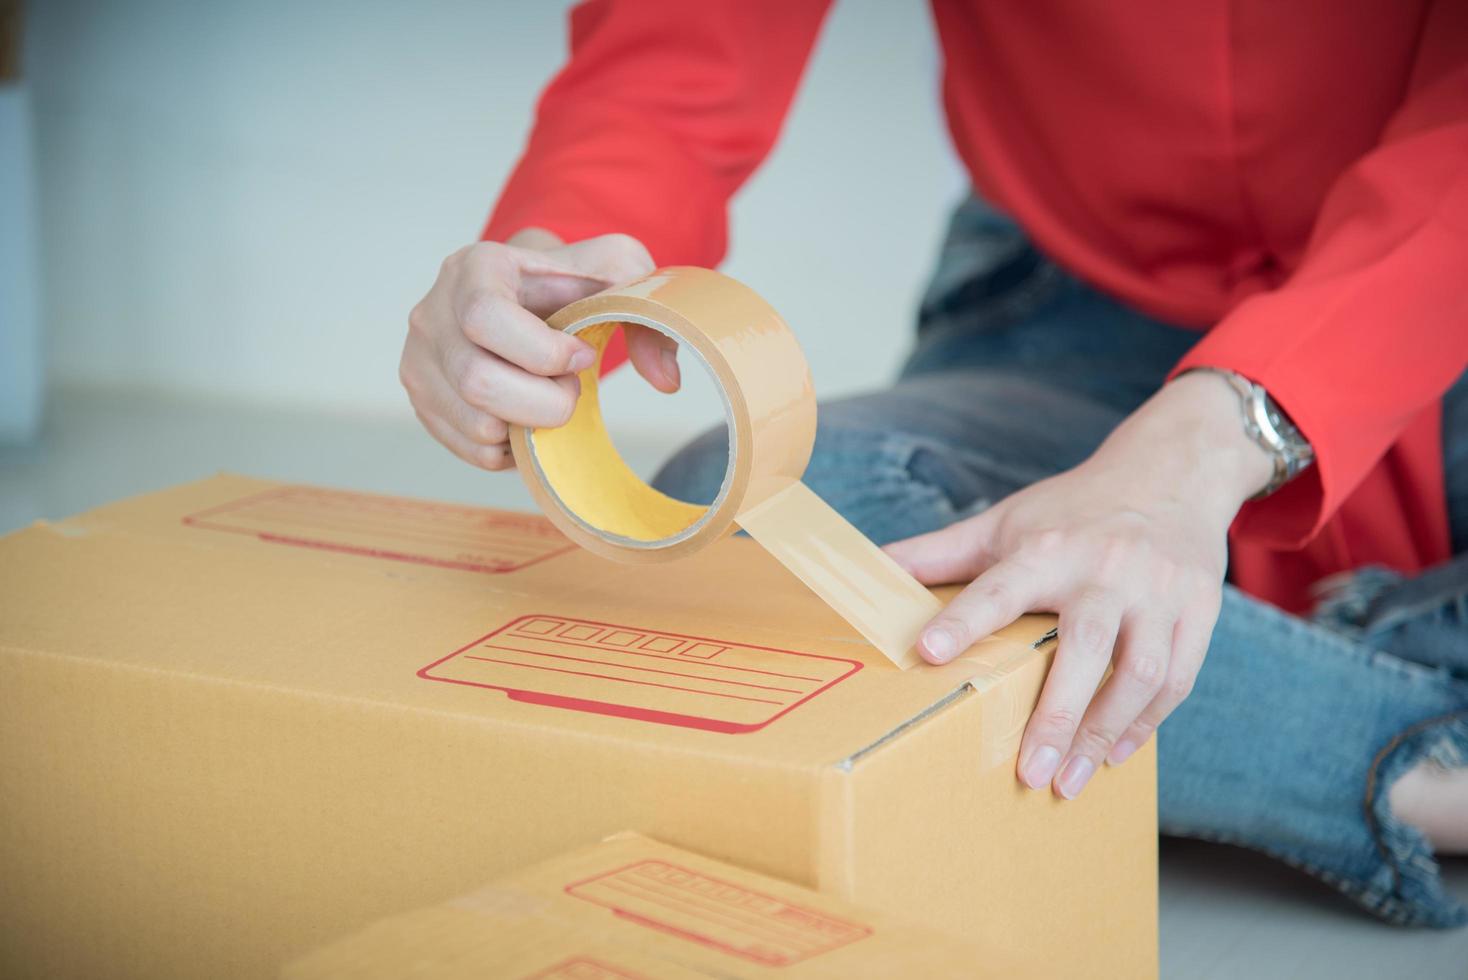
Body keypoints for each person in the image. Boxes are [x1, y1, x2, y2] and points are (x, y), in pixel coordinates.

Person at [399, 1, 1468, 927]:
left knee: (891, 629)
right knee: (745, 533)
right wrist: (551, 272)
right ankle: (1422, 758)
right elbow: (670, 64)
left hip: (1439, 293)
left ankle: (1195, 675)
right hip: (1081, 292)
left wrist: (1207, 442)